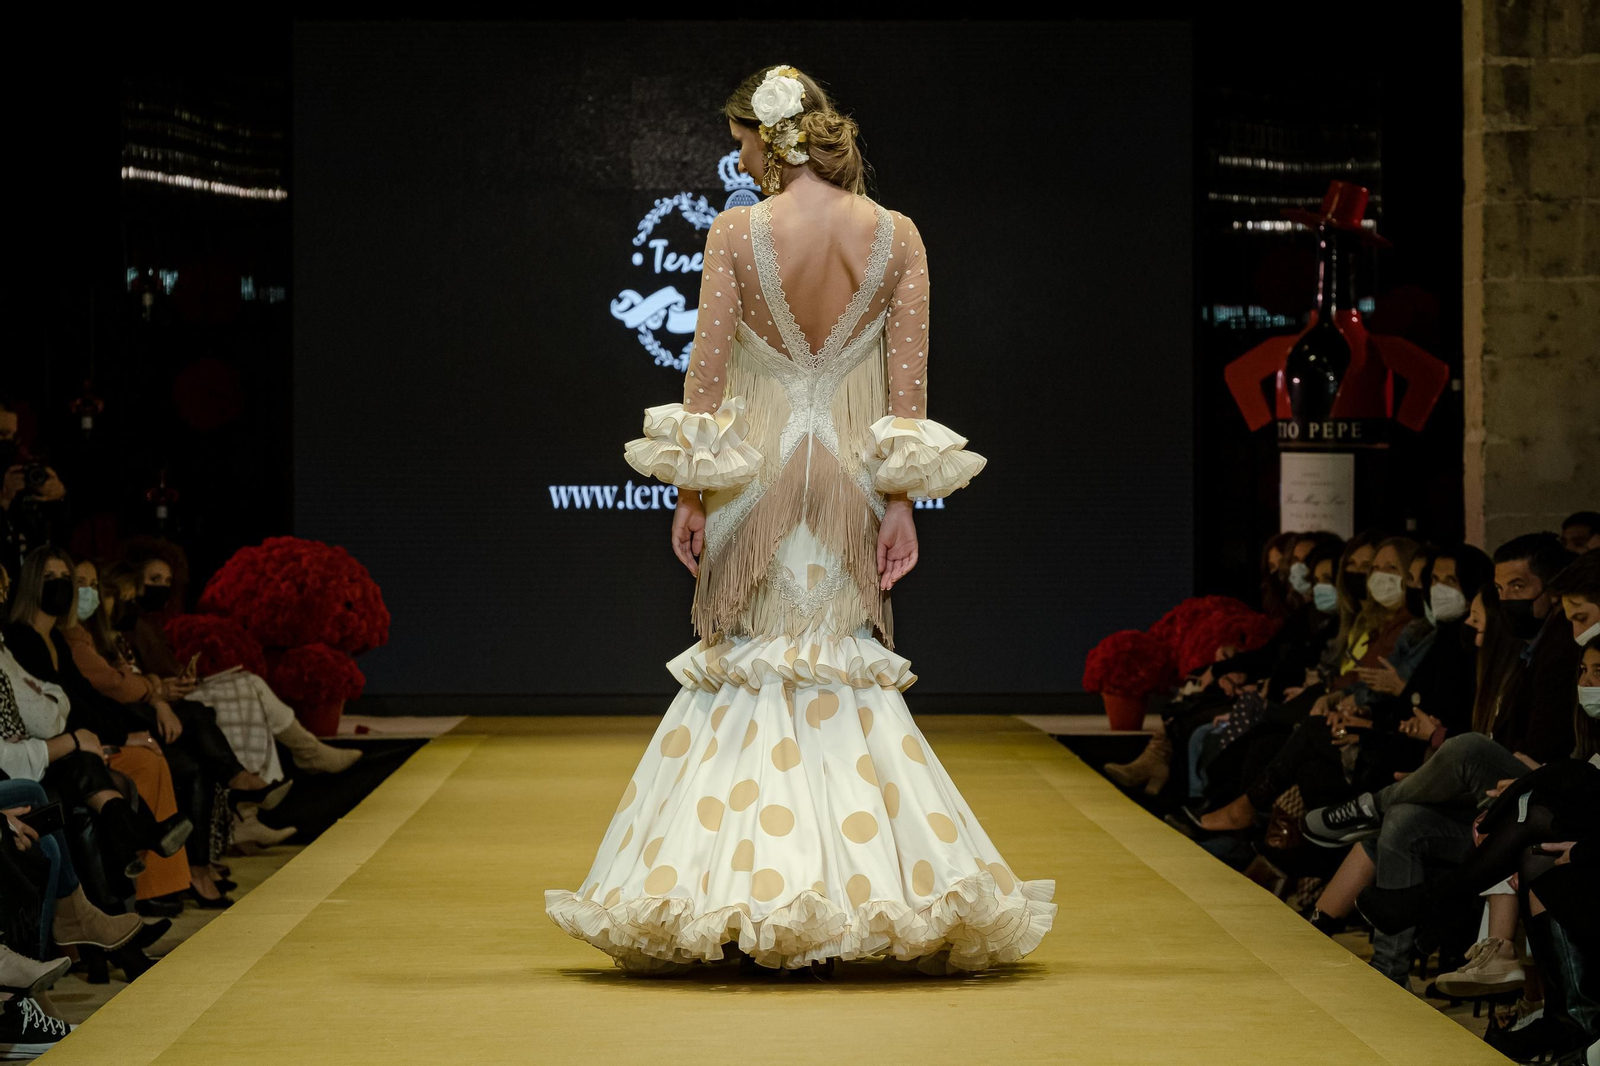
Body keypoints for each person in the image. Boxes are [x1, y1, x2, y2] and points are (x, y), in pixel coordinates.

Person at [543, 65, 1055, 977]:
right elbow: (909, 393)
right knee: (840, 671)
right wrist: (902, 501)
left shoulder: (739, 232)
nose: (735, 158)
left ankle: (738, 891)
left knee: (751, 672)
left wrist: (690, 492)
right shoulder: (898, 236)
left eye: (739, 140)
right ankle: (867, 888)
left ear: (765, 137)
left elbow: (705, 379)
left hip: (758, 477)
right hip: (853, 478)